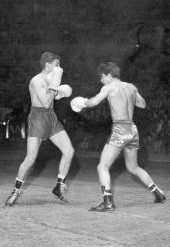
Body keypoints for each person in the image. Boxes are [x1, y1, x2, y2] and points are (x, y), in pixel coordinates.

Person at [70, 62, 166, 212]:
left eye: (102, 77)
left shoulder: (108, 87)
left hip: (120, 129)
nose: (101, 80)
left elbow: (94, 102)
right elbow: (142, 104)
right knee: (133, 167)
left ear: (108, 75)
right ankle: (158, 192)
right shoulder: (131, 87)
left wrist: (81, 103)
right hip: (132, 129)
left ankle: (108, 202)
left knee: (102, 166)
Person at [5, 52, 74, 206]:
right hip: (38, 118)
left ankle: (59, 186)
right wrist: (55, 87)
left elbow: (53, 100)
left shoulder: (51, 79)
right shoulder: (36, 81)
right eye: (57, 64)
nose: (59, 68)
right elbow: (44, 103)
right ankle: (16, 191)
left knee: (69, 151)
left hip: (51, 118)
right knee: (30, 159)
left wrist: (61, 92)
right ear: (48, 65)